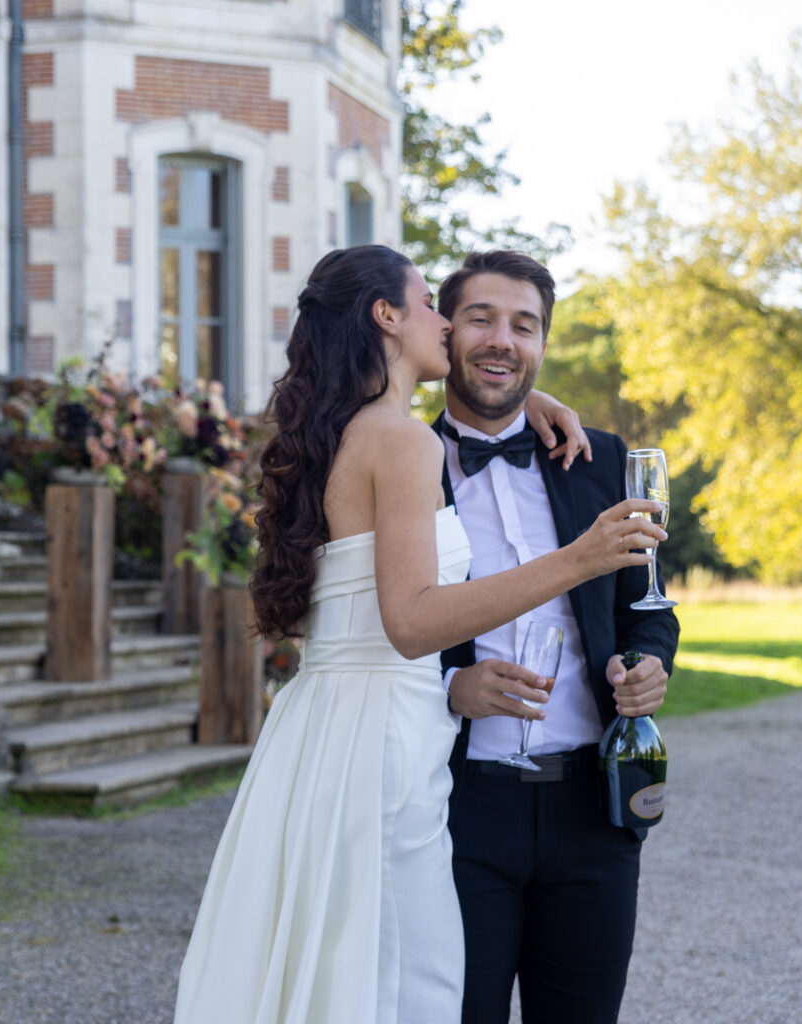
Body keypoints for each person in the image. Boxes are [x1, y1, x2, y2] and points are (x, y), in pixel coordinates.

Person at [172, 244, 666, 1024]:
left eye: (525, 328)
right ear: (388, 317)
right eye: (448, 310)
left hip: (341, 737)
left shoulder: (345, 431)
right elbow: (408, 622)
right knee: (408, 985)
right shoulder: (408, 443)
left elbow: (646, 606)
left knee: (339, 969)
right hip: (413, 759)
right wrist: (575, 561)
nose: (470, 331)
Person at [434, 250, 680, 1024]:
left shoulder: (601, 458)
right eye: (481, 318)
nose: (502, 339)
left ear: (542, 345)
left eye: (524, 325)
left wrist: (649, 665)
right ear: (444, 332)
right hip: (454, 809)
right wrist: (450, 688)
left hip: (589, 810)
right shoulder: (401, 464)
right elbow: (371, 626)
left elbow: (649, 605)